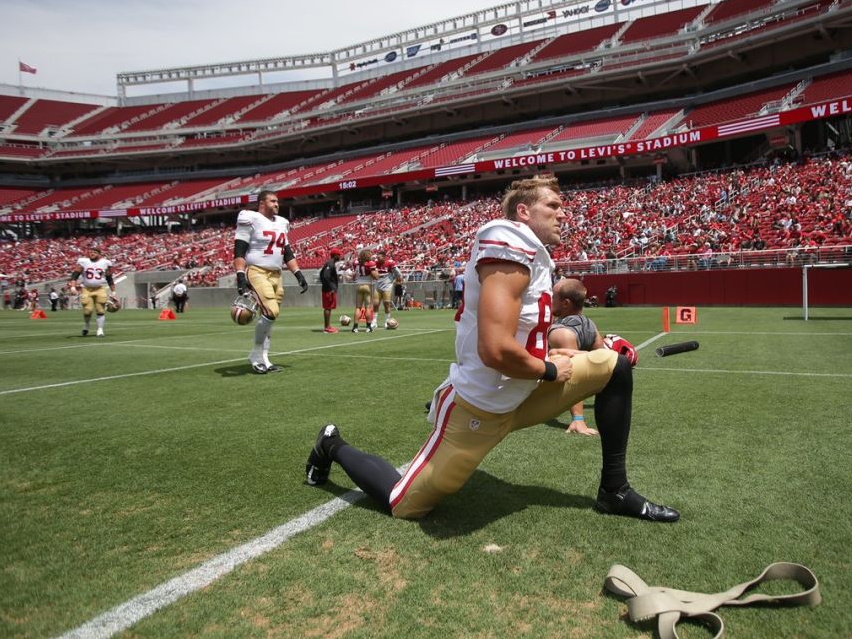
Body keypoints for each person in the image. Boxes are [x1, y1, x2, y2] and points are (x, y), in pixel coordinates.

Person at [305, 174, 678, 523]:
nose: (563, 213)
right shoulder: (507, 241)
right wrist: (549, 369)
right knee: (406, 505)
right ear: (523, 212)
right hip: (480, 406)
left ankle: (614, 490)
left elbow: (523, 332)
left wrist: (561, 354)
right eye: (553, 205)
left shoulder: (533, 256)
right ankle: (331, 444)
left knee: (613, 366)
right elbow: (495, 349)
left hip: (524, 391)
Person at [234, 189, 309, 374]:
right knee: (271, 311)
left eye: (277, 201)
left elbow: (287, 252)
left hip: (276, 274)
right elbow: (239, 250)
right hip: (257, 271)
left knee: (270, 318)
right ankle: (254, 354)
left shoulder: (283, 223)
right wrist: (240, 275)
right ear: (261, 203)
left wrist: (298, 274)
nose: (277, 204)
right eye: (273, 201)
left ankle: (265, 359)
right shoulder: (249, 217)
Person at [548, 278, 602, 436]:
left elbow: (572, 375)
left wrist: (578, 418)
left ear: (565, 303)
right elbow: (601, 358)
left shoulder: (562, 332)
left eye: (553, 297)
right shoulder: (590, 325)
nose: (550, 300)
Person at [71, 245, 115, 337]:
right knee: (87, 310)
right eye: (90, 252)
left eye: (94, 252)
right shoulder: (83, 262)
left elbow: (109, 278)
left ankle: (100, 329)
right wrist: (73, 286)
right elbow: (75, 274)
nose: (92, 254)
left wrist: (113, 291)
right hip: (86, 289)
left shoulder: (105, 263)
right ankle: (87, 325)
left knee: (100, 310)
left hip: (100, 288)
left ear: (99, 254)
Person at [351, 249, 378, 333]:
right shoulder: (371, 263)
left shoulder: (356, 263)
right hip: (367, 285)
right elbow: (375, 276)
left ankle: (355, 327)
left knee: (358, 307)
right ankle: (368, 327)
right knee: (368, 307)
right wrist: (376, 272)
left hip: (358, 285)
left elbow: (354, 274)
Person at [319, 249, 341, 333]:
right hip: (328, 289)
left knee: (328, 307)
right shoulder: (330, 264)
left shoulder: (329, 263)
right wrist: (331, 288)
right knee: (328, 307)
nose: (340, 256)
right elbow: (325, 276)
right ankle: (327, 328)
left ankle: (327, 326)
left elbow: (322, 274)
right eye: (339, 255)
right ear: (335, 255)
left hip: (327, 288)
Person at [372, 255, 397, 328]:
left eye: (379, 257)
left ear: (384, 257)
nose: (378, 258)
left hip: (387, 286)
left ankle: (387, 321)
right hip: (378, 286)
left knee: (386, 304)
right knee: (375, 304)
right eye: (378, 257)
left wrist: (392, 280)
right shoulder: (375, 264)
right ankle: (374, 321)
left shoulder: (389, 263)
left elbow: (397, 273)